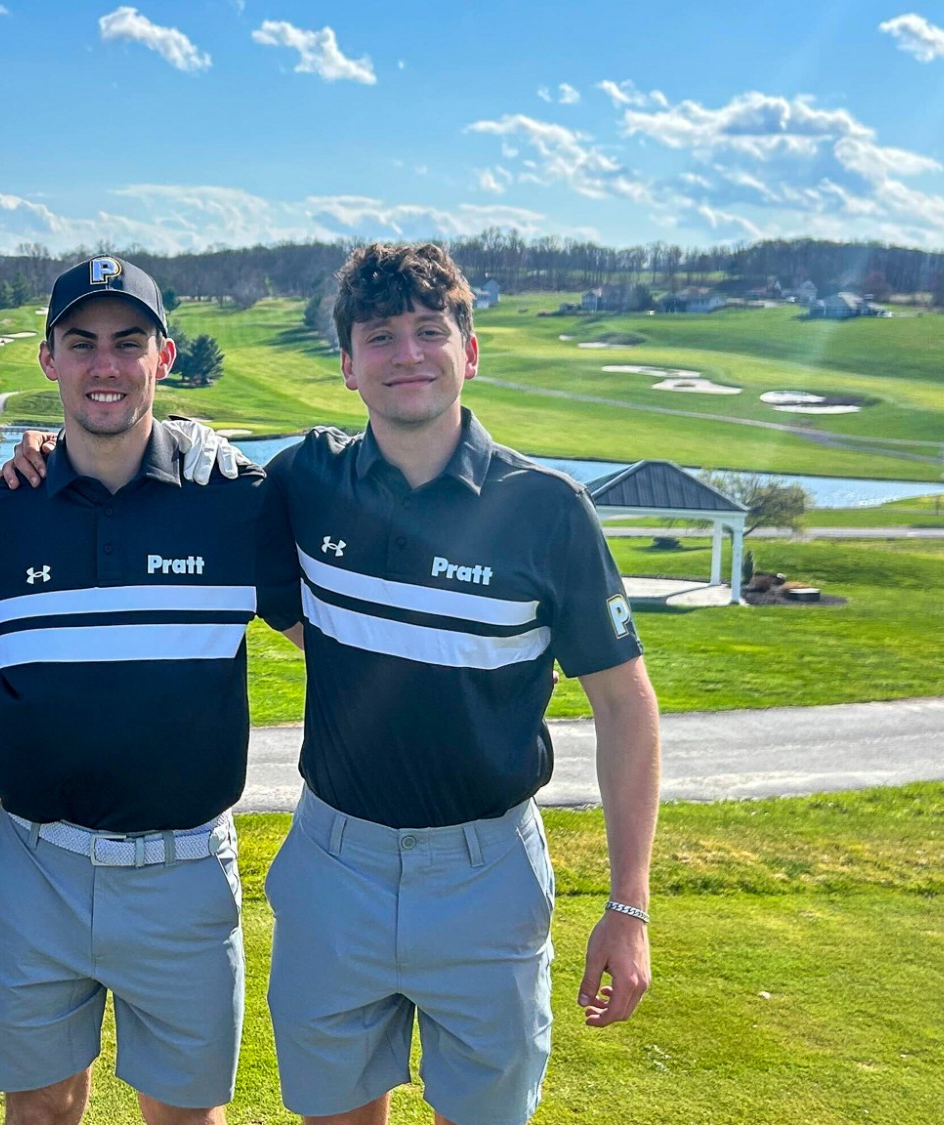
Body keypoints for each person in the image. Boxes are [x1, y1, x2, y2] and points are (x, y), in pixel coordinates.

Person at [254, 243, 660, 1125]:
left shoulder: (547, 508)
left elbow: (625, 704)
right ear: (348, 366)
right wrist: (50, 449)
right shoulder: (304, 479)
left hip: (487, 877)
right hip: (334, 864)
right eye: (380, 336)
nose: (407, 353)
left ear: (468, 351)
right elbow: (187, 492)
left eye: (429, 331)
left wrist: (628, 904)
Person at [0, 254, 287, 1125]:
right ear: (49, 358)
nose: (104, 364)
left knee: (184, 1116)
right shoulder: (2, 514)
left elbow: (337, 626)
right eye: (81, 343)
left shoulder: (234, 500)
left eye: (129, 342)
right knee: (41, 1109)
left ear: (164, 357)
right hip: (34, 867)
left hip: (183, 869)